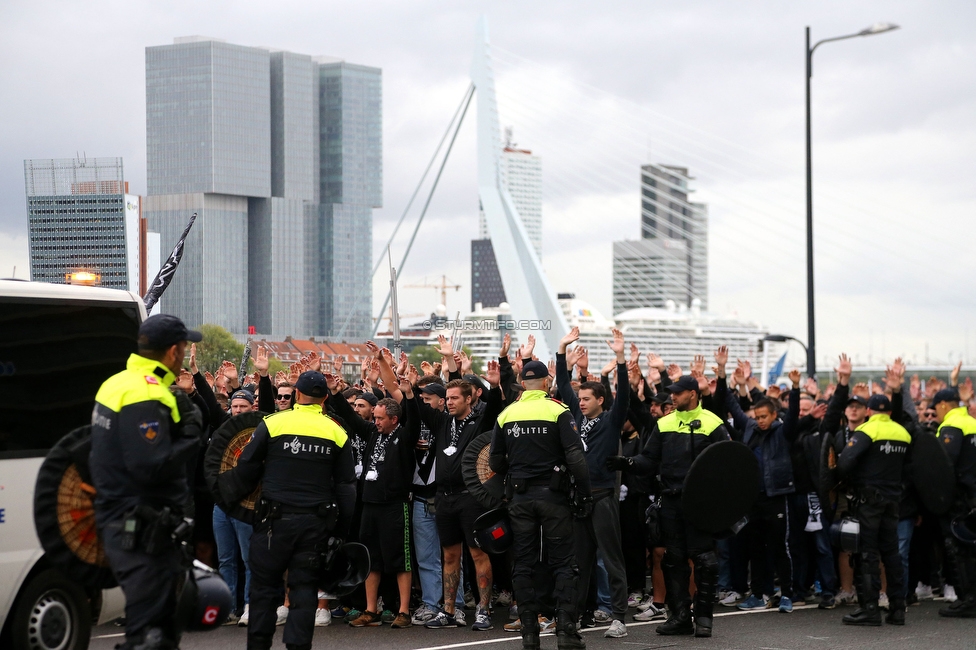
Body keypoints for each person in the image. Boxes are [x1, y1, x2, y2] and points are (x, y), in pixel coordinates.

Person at [89, 314, 205, 650]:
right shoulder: (147, 393)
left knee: (148, 624)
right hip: (144, 526)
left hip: (120, 518)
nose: (183, 355)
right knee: (152, 633)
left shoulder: (115, 383)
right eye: (183, 348)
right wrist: (190, 436)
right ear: (172, 352)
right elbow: (149, 466)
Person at [219, 370, 357, 650]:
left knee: (264, 590)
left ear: (296, 394)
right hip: (314, 526)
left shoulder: (272, 424)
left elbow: (245, 469)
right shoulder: (336, 432)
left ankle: (258, 646)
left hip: (272, 523)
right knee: (304, 591)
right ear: (325, 399)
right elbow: (346, 487)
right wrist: (340, 533)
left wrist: (229, 499)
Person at [606, 375, 730, 638]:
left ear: (693, 394)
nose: (672, 397)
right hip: (671, 501)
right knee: (673, 560)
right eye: (671, 393)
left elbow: (729, 464)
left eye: (678, 393)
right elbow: (649, 460)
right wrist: (625, 463)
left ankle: (705, 618)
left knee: (704, 560)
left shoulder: (713, 423)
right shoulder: (665, 424)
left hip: (701, 503)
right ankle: (681, 616)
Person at [489, 359, 592, 650]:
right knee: (563, 563)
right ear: (547, 382)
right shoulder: (558, 410)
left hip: (520, 499)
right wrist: (585, 495)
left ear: (522, 383)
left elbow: (495, 461)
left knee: (524, 563)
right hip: (554, 497)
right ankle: (566, 631)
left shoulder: (507, 414)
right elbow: (575, 457)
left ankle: (530, 633)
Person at [555, 327, 630, 638]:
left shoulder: (612, 421)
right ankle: (572, 617)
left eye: (587, 398)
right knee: (579, 563)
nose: (581, 402)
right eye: (580, 398)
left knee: (611, 559)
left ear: (601, 399)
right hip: (578, 500)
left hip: (602, 497)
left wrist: (621, 358)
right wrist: (562, 350)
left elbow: (624, 393)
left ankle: (619, 618)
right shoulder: (576, 416)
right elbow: (562, 384)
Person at [836, 381, 912, 626]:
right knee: (891, 554)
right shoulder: (904, 433)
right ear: (889, 413)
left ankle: (869, 609)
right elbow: (911, 469)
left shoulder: (867, 431)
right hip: (893, 501)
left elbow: (844, 463)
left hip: (868, 501)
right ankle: (897, 608)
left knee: (867, 554)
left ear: (868, 411)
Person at [730, 369, 801, 614]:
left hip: (777, 497)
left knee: (781, 548)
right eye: (757, 416)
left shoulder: (782, 432)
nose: (760, 420)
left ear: (773, 415)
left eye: (764, 416)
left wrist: (795, 388)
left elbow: (793, 417)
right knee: (756, 548)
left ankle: (787, 595)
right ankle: (758, 594)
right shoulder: (750, 428)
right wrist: (723, 377)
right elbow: (735, 409)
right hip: (754, 499)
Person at [931, 385, 976, 617]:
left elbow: (945, 464)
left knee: (958, 548)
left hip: (958, 498)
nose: (935, 413)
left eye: (935, 408)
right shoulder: (972, 422)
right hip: (974, 496)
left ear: (943, 405)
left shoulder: (951, 425)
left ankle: (967, 600)